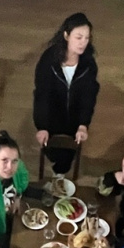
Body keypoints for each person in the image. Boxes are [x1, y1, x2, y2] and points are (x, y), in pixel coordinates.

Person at [34, 13, 99, 174]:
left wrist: (83, 124)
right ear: (66, 35)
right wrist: (42, 126)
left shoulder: (88, 64)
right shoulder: (48, 60)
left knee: (68, 156)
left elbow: (89, 96)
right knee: (54, 152)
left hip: (74, 120)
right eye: (78, 37)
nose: (83, 42)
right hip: (52, 118)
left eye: (87, 38)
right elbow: (42, 95)